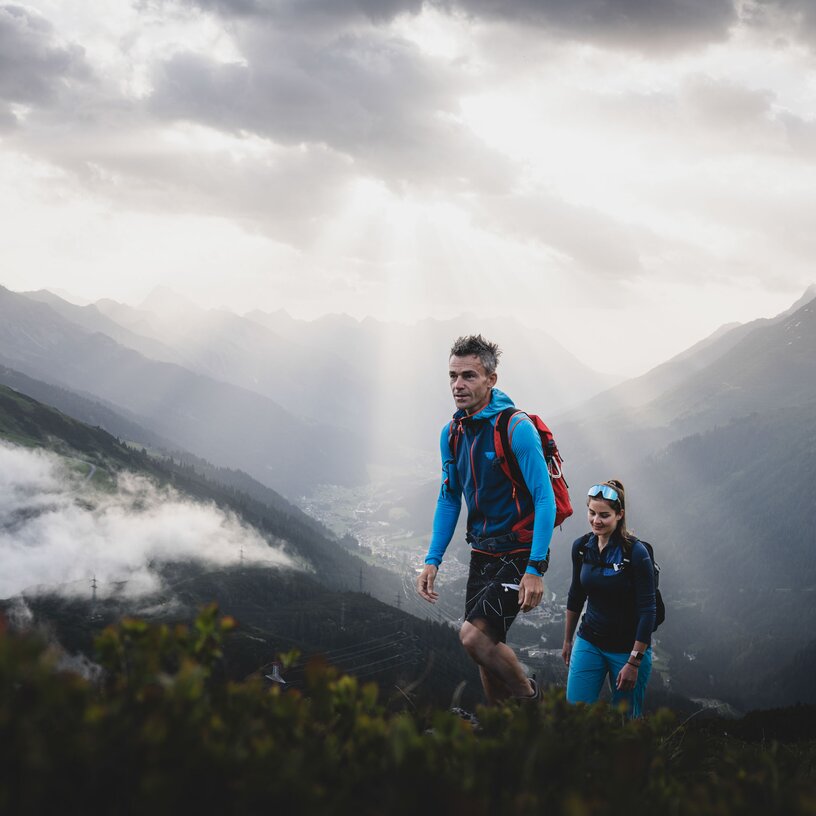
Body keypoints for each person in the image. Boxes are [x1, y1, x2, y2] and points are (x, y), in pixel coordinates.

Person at [416, 334, 556, 705]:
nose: (458, 385)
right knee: (485, 649)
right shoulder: (452, 434)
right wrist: (433, 559)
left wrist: (535, 568)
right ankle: (502, 727)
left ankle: (531, 701)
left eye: (469, 376)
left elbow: (544, 499)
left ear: (491, 379)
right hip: (482, 552)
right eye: (453, 376)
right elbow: (449, 498)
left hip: (518, 551)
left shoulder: (516, 428)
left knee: (474, 638)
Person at [562, 480, 656, 718]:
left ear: (619, 514)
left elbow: (648, 610)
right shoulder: (582, 547)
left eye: (604, 515)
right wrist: (567, 640)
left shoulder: (636, 553)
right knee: (575, 716)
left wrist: (634, 662)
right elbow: (576, 595)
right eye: (592, 513)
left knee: (623, 724)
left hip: (627, 649)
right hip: (589, 640)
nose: (596, 520)